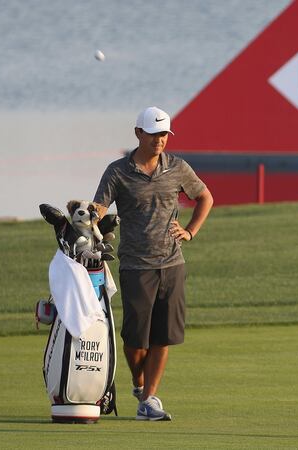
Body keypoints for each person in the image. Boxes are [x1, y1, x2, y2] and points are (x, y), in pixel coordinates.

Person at [94, 106, 214, 421]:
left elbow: (205, 197)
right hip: (135, 265)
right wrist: (85, 218)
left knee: (164, 336)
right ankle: (139, 381)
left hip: (172, 263)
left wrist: (190, 231)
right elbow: (99, 207)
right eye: (154, 134)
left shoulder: (177, 167)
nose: (160, 140)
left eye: (164, 134)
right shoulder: (117, 171)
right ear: (138, 133)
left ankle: (149, 399)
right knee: (135, 341)